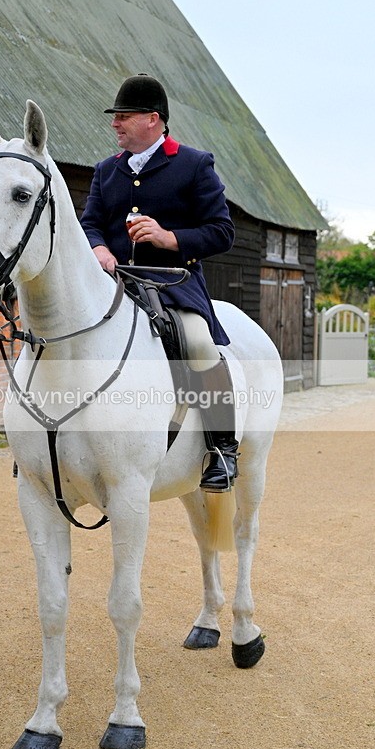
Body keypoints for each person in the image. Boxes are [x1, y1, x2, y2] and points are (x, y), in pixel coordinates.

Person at [80, 73, 238, 492]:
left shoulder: (193, 164)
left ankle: (222, 448)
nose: (115, 123)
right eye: (114, 117)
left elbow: (222, 232)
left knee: (200, 344)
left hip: (173, 283)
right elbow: (90, 222)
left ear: (153, 119)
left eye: (124, 116)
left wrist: (171, 238)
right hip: (113, 284)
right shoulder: (105, 171)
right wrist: (98, 247)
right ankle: (49, 443)